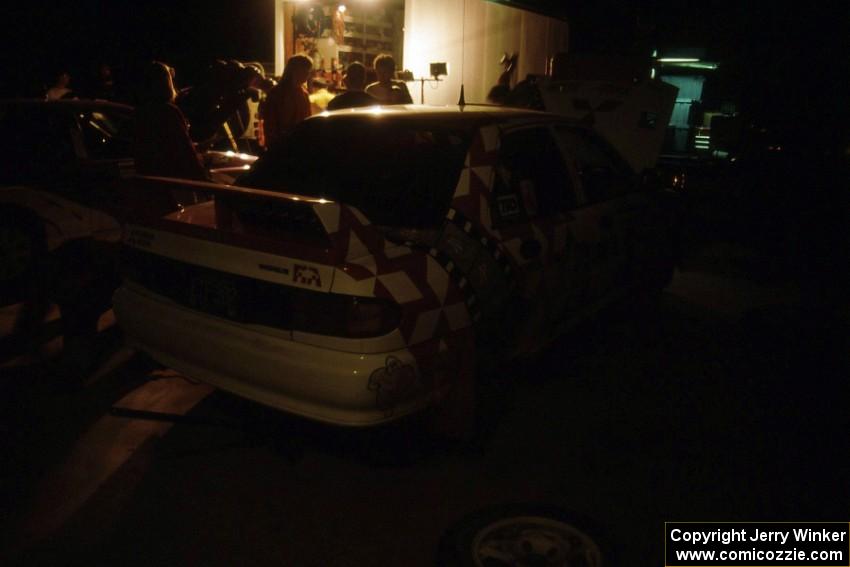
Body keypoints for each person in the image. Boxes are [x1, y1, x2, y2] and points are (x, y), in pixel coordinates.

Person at [133, 61, 207, 181]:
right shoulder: (168, 111)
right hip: (174, 179)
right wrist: (203, 179)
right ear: (165, 82)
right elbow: (185, 149)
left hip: (151, 179)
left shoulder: (140, 111)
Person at [263, 54, 313, 148]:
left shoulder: (303, 94)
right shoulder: (277, 93)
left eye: (308, 71)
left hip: (298, 146)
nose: (308, 74)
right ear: (295, 71)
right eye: (305, 70)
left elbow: (307, 121)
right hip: (281, 146)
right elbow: (270, 126)